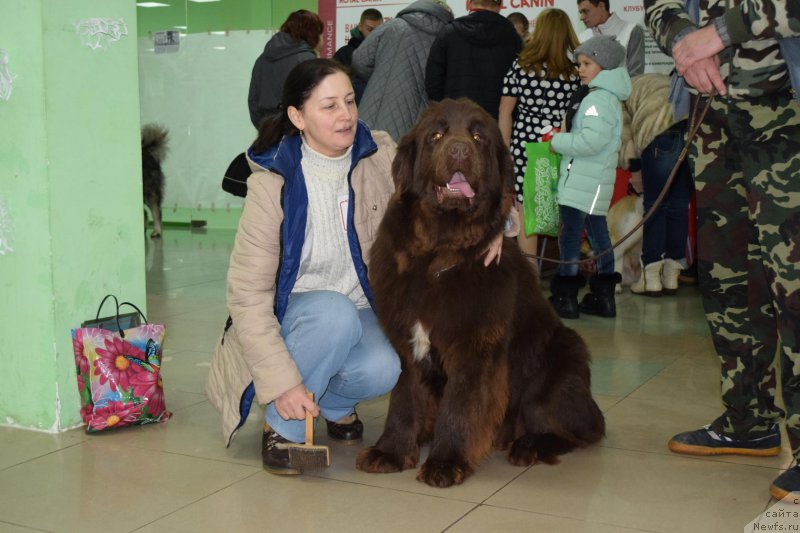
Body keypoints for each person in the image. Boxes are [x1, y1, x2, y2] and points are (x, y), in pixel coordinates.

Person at [207, 58, 503, 475]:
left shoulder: (378, 155)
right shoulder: (270, 184)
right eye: (328, 106)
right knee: (333, 314)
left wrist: (499, 226)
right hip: (295, 318)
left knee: (386, 365)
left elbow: (455, 181)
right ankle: (282, 428)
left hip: (358, 309)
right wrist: (282, 383)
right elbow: (248, 297)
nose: (345, 115)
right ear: (298, 117)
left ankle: (332, 404)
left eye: (349, 100)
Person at [645, 0, 800, 500]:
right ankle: (748, 419)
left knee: (794, 284)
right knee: (729, 276)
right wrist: (683, 40)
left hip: (787, 113)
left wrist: (720, 32)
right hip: (714, 116)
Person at [548, 35, 632, 319]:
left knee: (570, 238)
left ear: (605, 65)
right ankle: (603, 297)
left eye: (586, 63)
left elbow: (590, 143)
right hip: (591, 181)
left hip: (584, 181)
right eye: (579, 64)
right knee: (599, 237)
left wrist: (557, 141)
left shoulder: (597, 100)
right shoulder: (605, 98)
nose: (580, 69)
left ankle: (566, 296)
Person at [498, 8, 580, 268]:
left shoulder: (521, 65)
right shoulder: (577, 71)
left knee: (528, 213)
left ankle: (530, 278)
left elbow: (505, 111)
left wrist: (506, 149)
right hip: (563, 144)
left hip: (525, 145)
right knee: (565, 210)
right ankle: (568, 275)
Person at [619, 73, 693, 297]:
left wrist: (633, 169)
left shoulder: (624, 93)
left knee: (654, 207)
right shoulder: (665, 81)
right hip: (688, 131)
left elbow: (625, 135)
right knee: (679, 207)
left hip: (657, 134)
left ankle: (651, 279)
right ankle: (671, 278)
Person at [351, 0, 453, 141]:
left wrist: (380, 79)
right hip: (415, 121)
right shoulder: (447, 36)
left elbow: (360, 60)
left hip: (372, 113)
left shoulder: (393, 25)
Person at [425, 0, 522, 120]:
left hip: (456, 120)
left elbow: (433, 82)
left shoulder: (449, 33)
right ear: (500, 5)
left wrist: (446, 110)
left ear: (469, 3)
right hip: (499, 123)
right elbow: (521, 82)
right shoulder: (513, 37)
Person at [247, 10, 323, 129]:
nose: (322, 39)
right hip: (296, 129)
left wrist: (265, 128)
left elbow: (253, 101)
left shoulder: (261, 59)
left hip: (267, 127)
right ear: (312, 33)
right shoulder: (306, 59)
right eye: (320, 33)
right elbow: (316, 101)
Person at [577, 0, 645, 76]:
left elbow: (636, 75)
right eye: (580, 12)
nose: (581, 17)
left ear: (601, 6)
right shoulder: (582, 37)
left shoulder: (631, 30)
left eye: (585, 11)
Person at [333, 8, 383, 104]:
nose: (374, 34)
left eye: (378, 30)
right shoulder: (344, 53)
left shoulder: (387, 51)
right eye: (370, 29)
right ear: (360, 26)